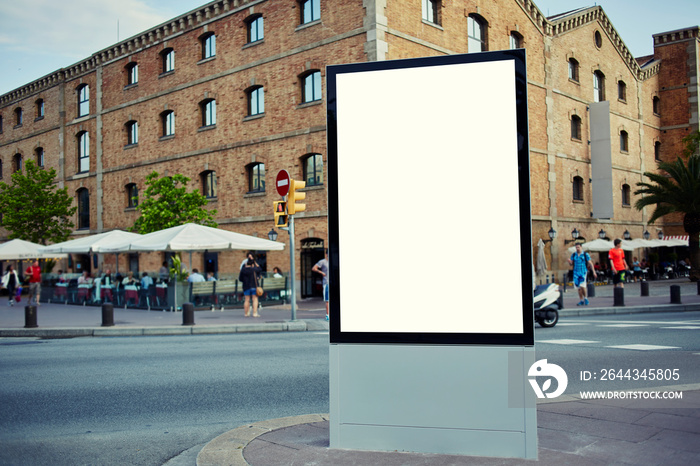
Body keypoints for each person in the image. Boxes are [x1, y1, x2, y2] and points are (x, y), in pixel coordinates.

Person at [312, 249, 330, 320]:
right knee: (327, 300)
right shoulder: (323, 262)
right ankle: (327, 315)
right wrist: (321, 273)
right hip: (326, 282)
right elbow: (314, 268)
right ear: (326, 254)